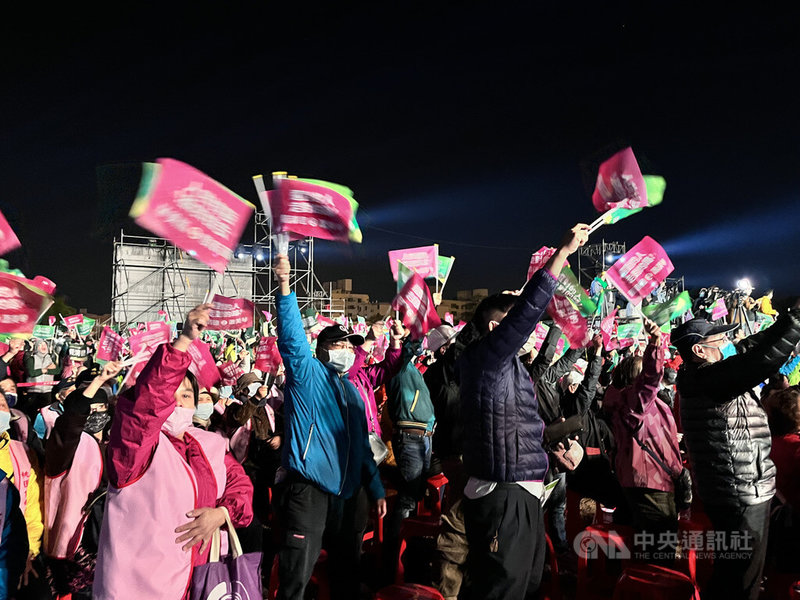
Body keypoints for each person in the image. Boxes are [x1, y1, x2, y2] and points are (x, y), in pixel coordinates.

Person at [457, 223, 588, 600]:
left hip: (524, 490)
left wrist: (553, 449)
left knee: (528, 582)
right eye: (517, 324)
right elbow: (526, 312)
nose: (529, 330)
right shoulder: (486, 359)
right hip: (503, 493)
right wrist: (561, 255)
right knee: (503, 587)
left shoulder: (510, 368)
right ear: (496, 326)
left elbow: (512, 427)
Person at [94, 304, 254, 600]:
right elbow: (147, 406)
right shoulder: (136, 445)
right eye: (172, 394)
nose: (179, 402)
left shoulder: (210, 444)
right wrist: (183, 342)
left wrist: (221, 513)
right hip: (142, 587)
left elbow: (241, 489)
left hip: (202, 579)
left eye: (187, 394)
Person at [273, 253, 387, 600]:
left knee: (345, 576)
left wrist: (376, 487)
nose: (346, 351)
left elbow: (363, 448)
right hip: (308, 491)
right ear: (322, 350)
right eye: (338, 345)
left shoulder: (352, 393)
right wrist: (284, 287)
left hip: (348, 496)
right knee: (297, 578)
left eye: (349, 346)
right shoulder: (307, 375)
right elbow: (292, 340)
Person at [673, 306, 800, 600]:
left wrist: (784, 321)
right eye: (718, 341)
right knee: (743, 580)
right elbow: (758, 362)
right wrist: (794, 325)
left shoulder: (701, 375)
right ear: (699, 350)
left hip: (734, 489)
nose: (726, 344)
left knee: (732, 571)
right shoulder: (710, 380)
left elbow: (746, 349)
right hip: (740, 491)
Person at [602, 317, 682, 565]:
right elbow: (650, 378)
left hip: (648, 477)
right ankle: (656, 587)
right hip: (650, 481)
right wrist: (656, 343)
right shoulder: (634, 403)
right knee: (661, 551)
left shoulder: (632, 404)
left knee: (647, 544)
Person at [43, 362, 119, 600]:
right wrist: (97, 382)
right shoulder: (67, 446)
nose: (96, 414)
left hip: (108, 543)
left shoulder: (113, 445)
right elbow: (70, 423)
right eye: (90, 409)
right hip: (73, 548)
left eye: (101, 409)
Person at [0, 383, 46, 598]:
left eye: (1, 405)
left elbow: (32, 508)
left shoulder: (23, 452)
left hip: (15, 555)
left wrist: (29, 550)